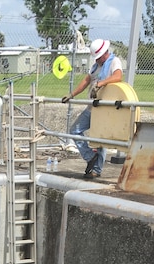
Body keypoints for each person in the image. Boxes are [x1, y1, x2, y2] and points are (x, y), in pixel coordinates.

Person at [61, 38, 123, 179]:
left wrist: (101, 84)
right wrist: (72, 94)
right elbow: (87, 80)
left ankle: (96, 170)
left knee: (100, 136)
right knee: (75, 130)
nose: (97, 60)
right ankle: (90, 157)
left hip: (105, 108)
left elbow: (118, 76)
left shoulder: (114, 62)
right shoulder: (95, 66)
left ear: (104, 53)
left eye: (98, 57)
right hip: (92, 106)